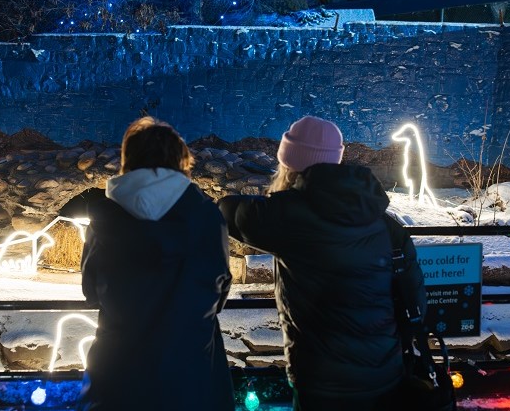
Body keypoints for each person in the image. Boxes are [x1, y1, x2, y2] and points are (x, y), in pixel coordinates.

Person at [218, 115, 426, 411]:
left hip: (321, 382)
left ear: (289, 163)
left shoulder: (288, 217)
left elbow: (229, 210)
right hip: (385, 376)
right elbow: (415, 298)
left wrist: (280, 199)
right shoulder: (385, 224)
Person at [60, 116, 235, 411]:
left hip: (119, 374)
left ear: (129, 160)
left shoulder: (104, 218)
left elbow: (91, 291)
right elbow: (219, 288)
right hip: (190, 373)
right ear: (181, 160)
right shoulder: (206, 216)